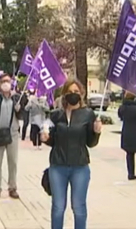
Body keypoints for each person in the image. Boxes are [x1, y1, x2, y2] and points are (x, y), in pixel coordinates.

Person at [40, 78, 102, 229]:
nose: (73, 95)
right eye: (69, 92)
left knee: (79, 207)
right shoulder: (56, 115)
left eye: (76, 92)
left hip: (80, 167)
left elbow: (91, 143)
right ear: (64, 95)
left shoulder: (88, 114)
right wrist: (45, 138)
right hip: (58, 167)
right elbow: (52, 139)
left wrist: (96, 132)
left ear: (81, 94)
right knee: (58, 207)